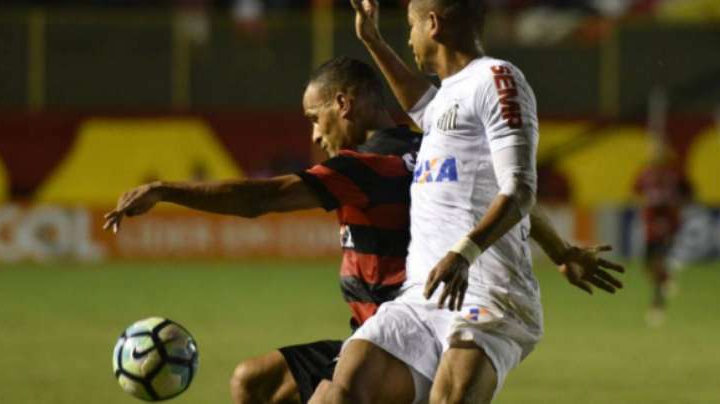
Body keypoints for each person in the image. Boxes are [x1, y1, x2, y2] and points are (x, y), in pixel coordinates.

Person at [103, 57, 622, 404]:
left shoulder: (362, 166)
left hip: (402, 334)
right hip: (395, 327)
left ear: (343, 105)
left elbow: (260, 199)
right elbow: (507, 198)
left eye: (315, 117)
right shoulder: (432, 146)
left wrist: (167, 191)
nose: (314, 133)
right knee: (253, 381)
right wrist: (562, 250)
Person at [312, 0, 623, 404]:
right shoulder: (445, 100)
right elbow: (421, 103)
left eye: (410, 26)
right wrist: (373, 39)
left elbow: (519, 190)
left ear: (434, 23)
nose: (410, 39)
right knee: (339, 392)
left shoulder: (496, 80)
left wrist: (463, 254)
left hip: (487, 291)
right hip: (423, 296)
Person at [634, 141, 691, 325]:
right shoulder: (646, 174)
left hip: (668, 222)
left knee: (658, 262)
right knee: (647, 264)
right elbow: (636, 191)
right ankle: (667, 279)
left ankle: (657, 306)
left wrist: (677, 206)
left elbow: (688, 191)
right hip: (651, 223)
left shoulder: (673, 174)